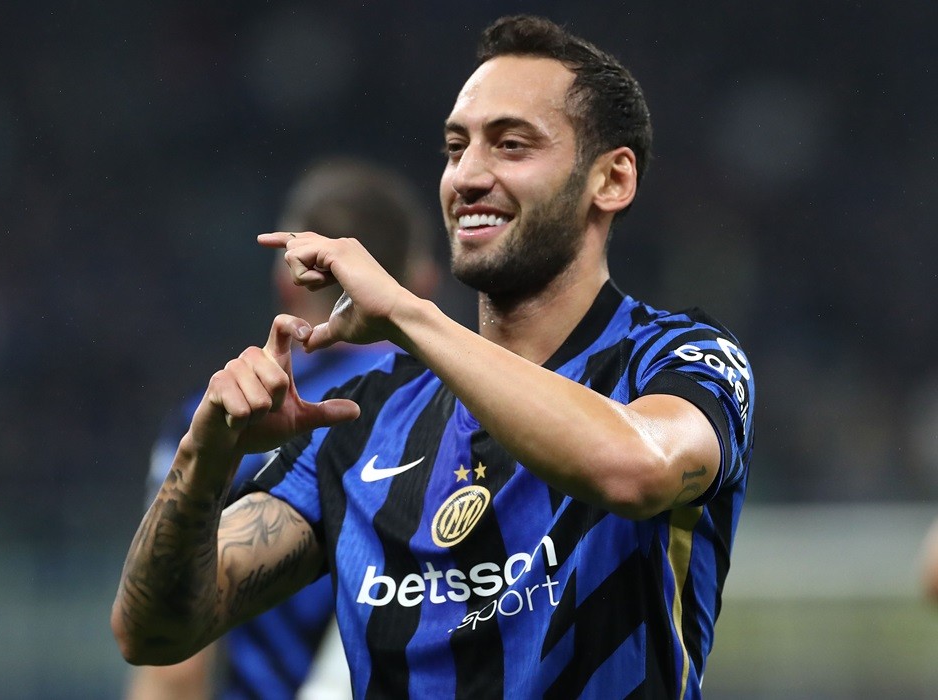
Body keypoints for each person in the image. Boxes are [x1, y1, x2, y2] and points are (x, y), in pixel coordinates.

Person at [112, 15, 756, 699]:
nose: (468, 175)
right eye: (456, 147)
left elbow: (636, 469)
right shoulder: (364, 414)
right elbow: (152, 635)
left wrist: (406, 315)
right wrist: (205, 457)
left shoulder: (678, 357)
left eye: (511, 145)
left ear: (611, 179)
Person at [123, 157, 438, 700]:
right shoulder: (450, 405)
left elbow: (174, 668)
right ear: (420, 284)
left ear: (285, 284)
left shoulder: (216, 421)